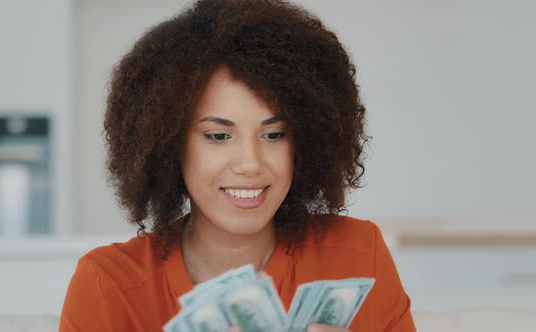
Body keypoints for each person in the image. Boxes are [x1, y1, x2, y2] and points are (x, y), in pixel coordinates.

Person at [60, 0, 416, 331]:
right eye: (218, 136)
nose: (250, 164)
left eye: (274, 135)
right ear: (169, 144)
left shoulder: (358, 255)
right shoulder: (109, 284)